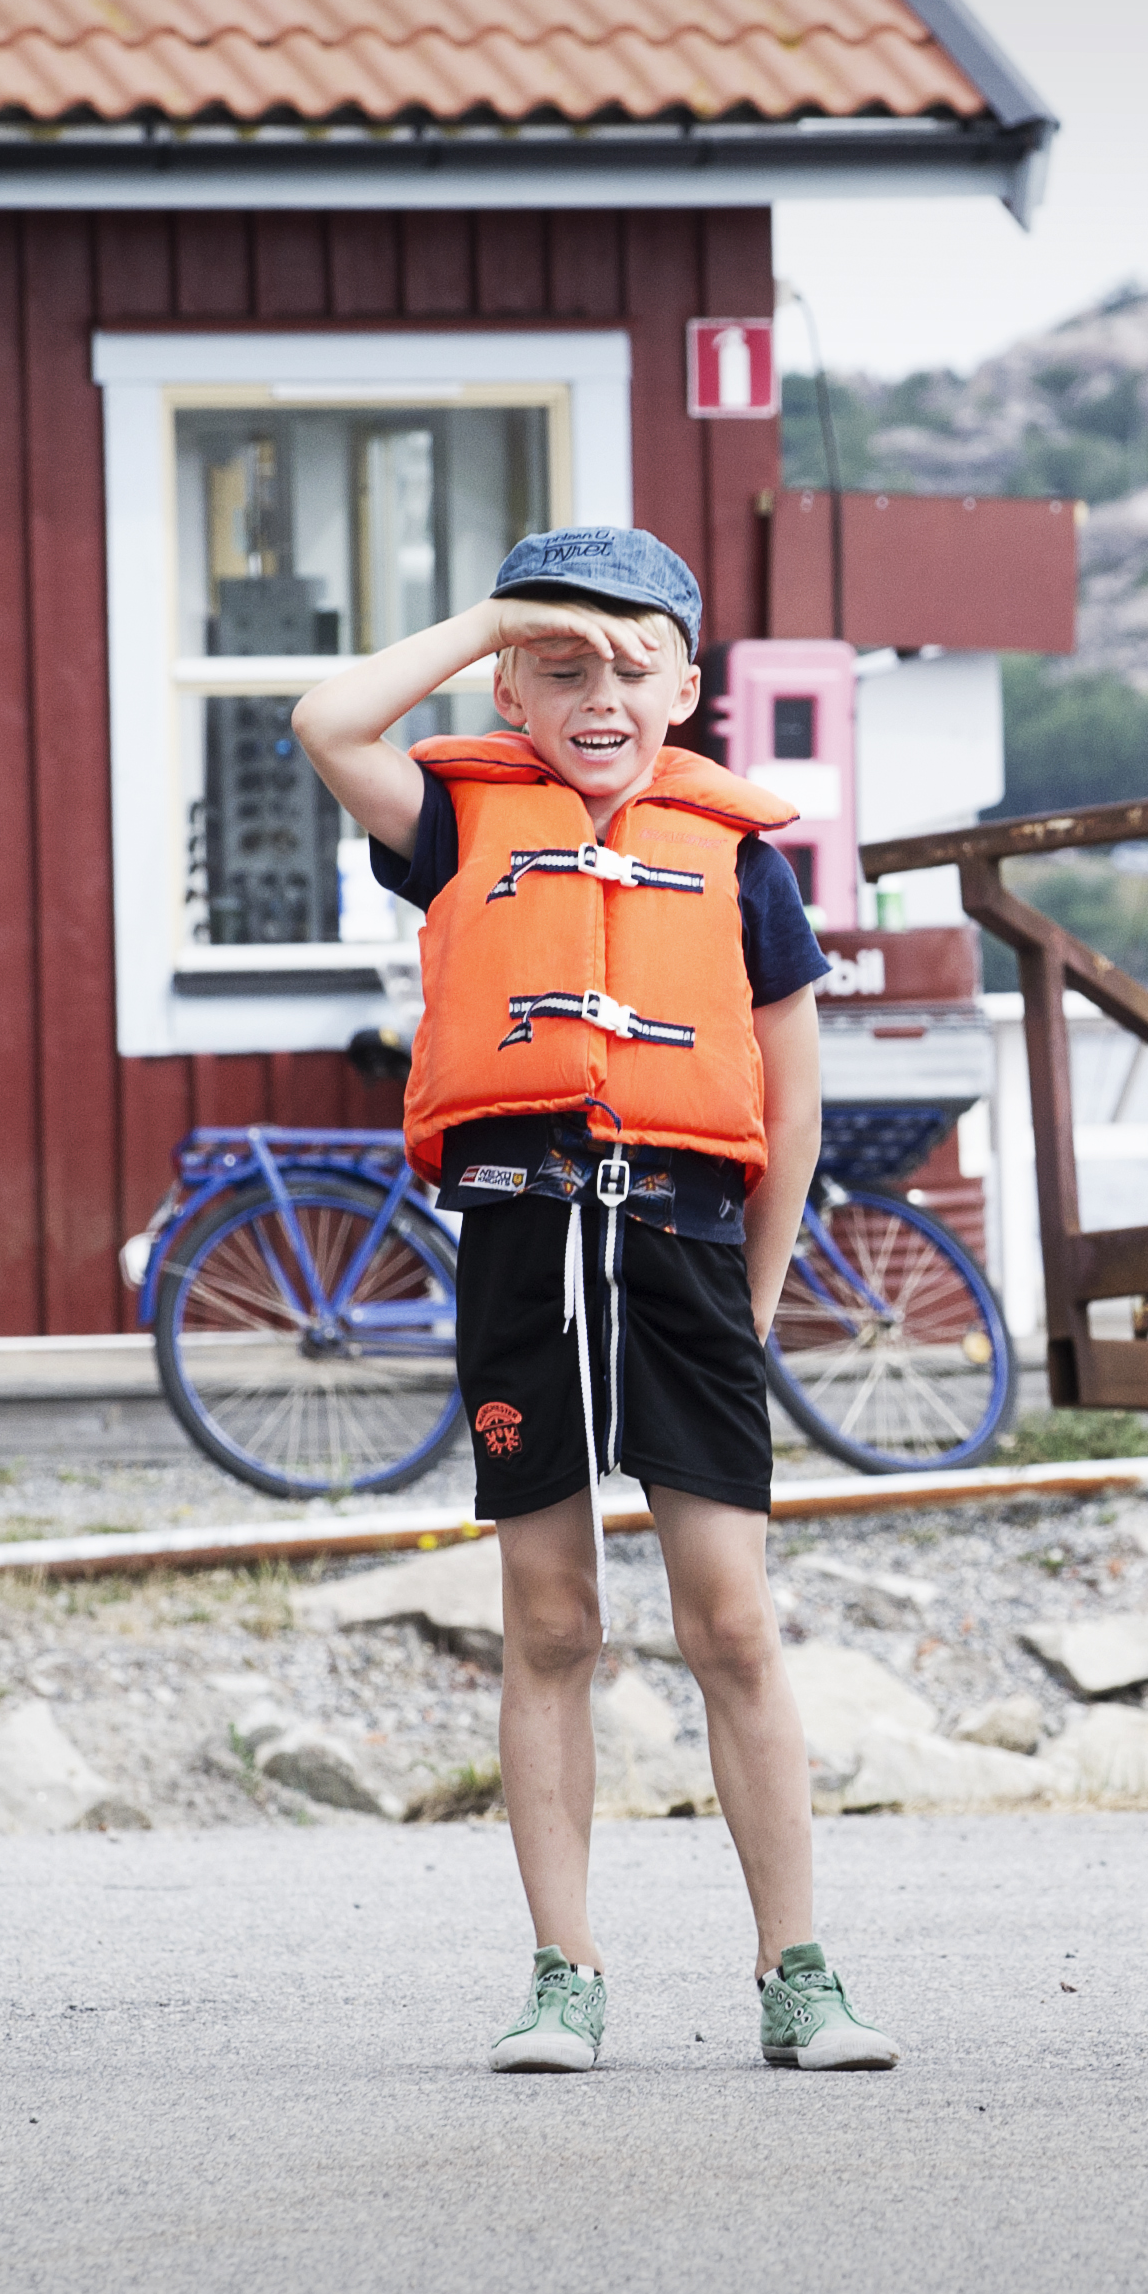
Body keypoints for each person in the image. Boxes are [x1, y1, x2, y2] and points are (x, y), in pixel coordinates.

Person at [289, 526, 894, 2076]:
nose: (599, 690)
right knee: (550, 1621)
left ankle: (799, 1973)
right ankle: (564, 1971)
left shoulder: (736, 857)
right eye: (559, 663)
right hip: (519, 1246)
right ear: (507, 679)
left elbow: (796, 1099)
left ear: (689, 685)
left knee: (734, 1623)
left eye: (634, 661)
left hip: (685, 1255)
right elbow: (326, 723)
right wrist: (499, 613)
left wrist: (753, 1297)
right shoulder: (454, 818)